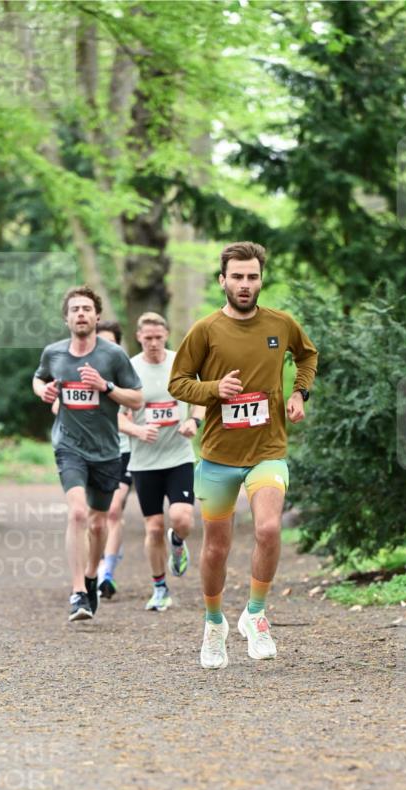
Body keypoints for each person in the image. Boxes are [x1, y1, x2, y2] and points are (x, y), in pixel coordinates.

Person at [168, 241, 318, 668]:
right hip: (217, 455)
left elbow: (307, 355)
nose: (245, 284)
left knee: (269, 529)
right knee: (217, 547)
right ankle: (214, 624)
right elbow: (178, 383)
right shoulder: (205, 330)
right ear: (223, 280)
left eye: (252, 276)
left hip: (267, 449)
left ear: (261, 279)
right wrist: (215, 389)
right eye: (237, 277)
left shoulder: (281, 324)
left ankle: (255, 615)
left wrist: (299, 392)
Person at [33, 286, 143, 621]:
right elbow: (38, 380)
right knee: (78, 514)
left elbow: (137, 399)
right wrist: (45, 390)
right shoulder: (54, 353)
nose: (81, 313)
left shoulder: (112, 356)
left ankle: (93, 575)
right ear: (67, 318)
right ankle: (78, 591)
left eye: (86, 309)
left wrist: (106, 387)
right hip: (69, 447)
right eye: (74, 309)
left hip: (107, 451)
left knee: (98, 524)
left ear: (96, 316)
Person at [119, 312, 205, 611]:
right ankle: (159, 588)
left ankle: (178, 544)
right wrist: (137, 430)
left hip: (178, 455)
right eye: (148, 338)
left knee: (183, 519)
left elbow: (199, 398)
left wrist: (193, 422)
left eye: (159, 337)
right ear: (139, 337)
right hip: (144, 461)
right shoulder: (128, 369)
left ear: (166, 335)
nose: (154, 343)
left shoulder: (180, 362)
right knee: (153, 527)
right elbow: (115, 416)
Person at [94, 322, 132, 599]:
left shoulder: (129, 373)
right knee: (94, 516)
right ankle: (92, 567)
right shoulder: (81, 371)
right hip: (90, 452)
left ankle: (106, 573)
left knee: (115, 510)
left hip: (123, 450)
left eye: (110, 342)